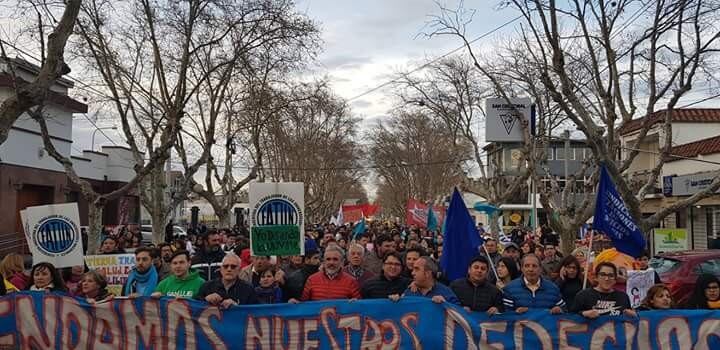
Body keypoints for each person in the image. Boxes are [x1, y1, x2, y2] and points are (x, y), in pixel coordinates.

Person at [294, 246, 361, 302]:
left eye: (335, 259)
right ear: (323, 261)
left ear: (342, 262)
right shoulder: (311, 280)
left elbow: (360, 306)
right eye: (328, 259)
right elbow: (303, 304)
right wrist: (293, 304)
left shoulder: (351, 281)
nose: (331, 262)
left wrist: (356, 303)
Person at [571, 262, 636, 318]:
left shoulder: (623, 297)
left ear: (615, 279)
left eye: (611, 275)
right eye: (602, 274)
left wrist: (634, 315)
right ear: (596, 277)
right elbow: (570, 318)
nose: (607, 278)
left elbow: (630, 321)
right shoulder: (583, 295)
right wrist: (583, 314)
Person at [393, 256, 459, 305]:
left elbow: (460, 314)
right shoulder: (409, 292)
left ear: (428, 273)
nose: (412, 273)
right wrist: (395, 303)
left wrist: (446, 304)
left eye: (417, 269)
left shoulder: (446, 293)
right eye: (413, 269)